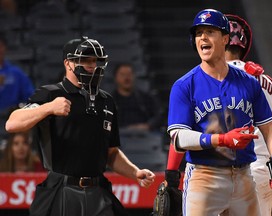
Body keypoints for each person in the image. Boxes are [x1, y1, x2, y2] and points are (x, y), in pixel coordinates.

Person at [5, 36, 155, 216]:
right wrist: (48, 108)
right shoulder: (51, 93)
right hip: (61, 189)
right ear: (68, 63)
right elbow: (12, 123)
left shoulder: (106, 101)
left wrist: (135, 172)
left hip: (98, 190)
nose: (92, 65)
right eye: (85, 60)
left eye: (95, 60)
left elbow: (111, 152)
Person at [166, 9, 272, 216]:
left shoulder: (249, 82)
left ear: (225, 39)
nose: (203, 37)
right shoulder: (184, 85)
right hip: (205, 176)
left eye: (210, 32)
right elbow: (178, 137)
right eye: (198, 33)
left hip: (245, 174)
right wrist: (222, 139)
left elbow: (269, 128)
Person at [225, 14, 272, 216]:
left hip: (226, 171)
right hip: (262, 171)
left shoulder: (211, 76)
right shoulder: (269, 82)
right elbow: (271, 132)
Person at [111, 63, 163, 131]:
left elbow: (159, 116)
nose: (127, 78)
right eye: (122, 75)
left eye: (129, 74)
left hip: (145, 136)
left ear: (134, 76)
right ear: (115, 78)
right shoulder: (109, 101)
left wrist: (148, 126)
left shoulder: (147, 98)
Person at [0, 32, 34, 111]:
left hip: (11, 117)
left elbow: (30, 97)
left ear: (5, 48)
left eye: (0, 46)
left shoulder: (16, 73)